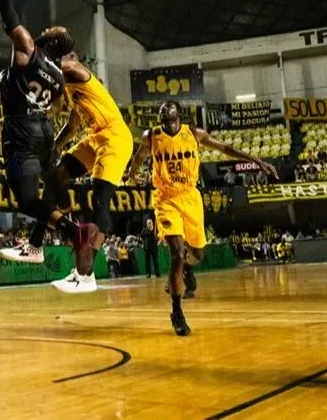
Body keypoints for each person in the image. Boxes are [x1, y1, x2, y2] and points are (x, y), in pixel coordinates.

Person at [129, 101, 277, 336]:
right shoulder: (151, 136)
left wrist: (256, 161)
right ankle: (177, 311)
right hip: (165, 199)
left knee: (197, 254)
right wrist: (131, 174)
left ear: (178, 115)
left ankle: (186, 269)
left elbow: (225, 148)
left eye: (169, 112)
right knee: (177, 253)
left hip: (190, 196)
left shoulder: (194, 134)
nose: (164, 115)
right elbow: (138, 157)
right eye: (162, 113)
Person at [0, 0, 80, 267]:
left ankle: (71, 230)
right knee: (47, 193)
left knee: (27, 200)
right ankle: (46, 238)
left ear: (52, 40)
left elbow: (8, 13)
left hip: (22, 129)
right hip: (44, 131)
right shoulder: (59, 76)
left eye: (49, 30)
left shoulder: (29, 47)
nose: (44, 30)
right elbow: (56, 105)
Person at [46, 52, 133, 293]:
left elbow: (65, 63)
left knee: (99, 200)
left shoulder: (79, 73)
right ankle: (72, 228)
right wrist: (55, 146)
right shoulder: (72, 93)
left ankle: (85, 273)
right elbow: (72, 126)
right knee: (58, 174)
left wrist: (39, 59)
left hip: (115, 137)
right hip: (95, 139)